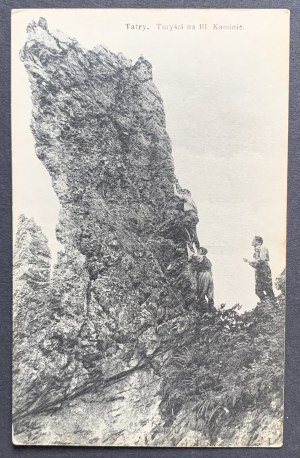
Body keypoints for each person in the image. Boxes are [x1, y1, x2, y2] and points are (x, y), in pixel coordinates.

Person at [243, 236, 275, 303]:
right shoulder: (256, 249)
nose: (252, 241)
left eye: (253, 240)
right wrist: (249, 262)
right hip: (259, 271)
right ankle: (266, 303)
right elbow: (257, 263)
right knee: (258, 290)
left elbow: (261, 260)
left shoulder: (262, 248)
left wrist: (249, 262)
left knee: (267, 288)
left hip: (264, 270)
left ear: (258, 242)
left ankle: (272, 304)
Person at [187, 243, 214, 311]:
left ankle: (204, 308)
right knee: (210, 293)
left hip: (203, 274)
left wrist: (187, 246)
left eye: (199, 250)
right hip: (209, 275)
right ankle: (211, 309)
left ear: (202, 251)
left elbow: (192, 256)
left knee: (202, 291)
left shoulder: (201, 257)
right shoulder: (208, 260)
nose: (198, 251)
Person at [174, 184, 200, 250]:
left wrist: (174, 186)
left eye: (184, 192)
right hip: (194, 216)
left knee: (181, 225)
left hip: (190, 215)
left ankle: (189, 241)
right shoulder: (192, 200)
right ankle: (198, 249)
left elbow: (176, 194)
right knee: (193, 232)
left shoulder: (186, 197)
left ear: (188, 193)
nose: (182, 193)